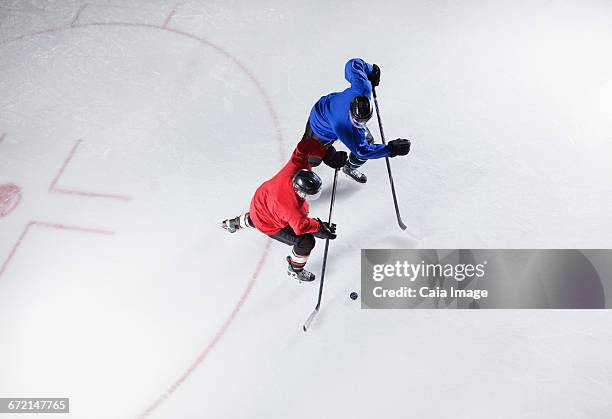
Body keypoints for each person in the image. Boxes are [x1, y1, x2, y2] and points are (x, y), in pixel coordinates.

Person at [221, 137, 348, 282]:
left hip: (261, 202)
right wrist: (319, 227)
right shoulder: (291, 207)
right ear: (300, 191)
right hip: (268, 221)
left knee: (257, 217)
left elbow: (304, 146)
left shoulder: (297, 166)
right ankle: (295, 269)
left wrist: (328, 155)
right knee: (306, 242)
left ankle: (235, 223)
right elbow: (301, 227)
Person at [303, 58, 412, 183]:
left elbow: (353, 64)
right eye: (357, 122)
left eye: (363, 121)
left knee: (369, 141)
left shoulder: (363, 89)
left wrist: (371, 70)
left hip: (335, 116)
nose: (360, 125)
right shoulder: (344, 126)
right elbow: (362, 151)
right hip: (321, 125)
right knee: (311, 159)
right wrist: (391, 149)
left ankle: (349, 167)